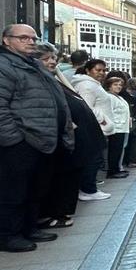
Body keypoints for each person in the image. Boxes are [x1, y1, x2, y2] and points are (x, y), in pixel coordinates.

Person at [0, 24, 73, 253]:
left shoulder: (33, 65)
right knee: (13, 190)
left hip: (42, 139)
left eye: (33, 38)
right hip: (19, 141)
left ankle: (28, 227)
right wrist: (12, 140)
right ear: (6, 40)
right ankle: (7, 236)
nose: (30, 42)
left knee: (35, 188)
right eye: (23, 38)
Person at [33, 42, 94, 226]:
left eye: (53, 58)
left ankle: (61, 212)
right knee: (53, 180)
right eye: (47, 58)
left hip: (65, 135)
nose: (52, 61)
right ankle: (50, 214)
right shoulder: (38, 78)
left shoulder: (53, 76)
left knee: (67, 177)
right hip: (50, 136)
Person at [70, 58, 115, 193]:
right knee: (92, 159)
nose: (101, 73)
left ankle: (89, 188)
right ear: (88, 70)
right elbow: (86, 107)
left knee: (95, 159)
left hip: (97, 127)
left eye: (103, 70)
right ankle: (88, 190)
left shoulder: (94, 84)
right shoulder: (87, 86)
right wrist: (103, 120)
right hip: (93, 128)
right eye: (98, 70)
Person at [102, 75, 131, 177]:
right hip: (116, 128)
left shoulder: (119, 97)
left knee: (119, 149)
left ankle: (117, 168)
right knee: (114, 150)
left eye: (120, 85)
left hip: (122, 127)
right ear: (109, 86)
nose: (118, 87)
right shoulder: (109, 97)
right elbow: (108, 112)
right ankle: (112, 171)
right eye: (115, 85)